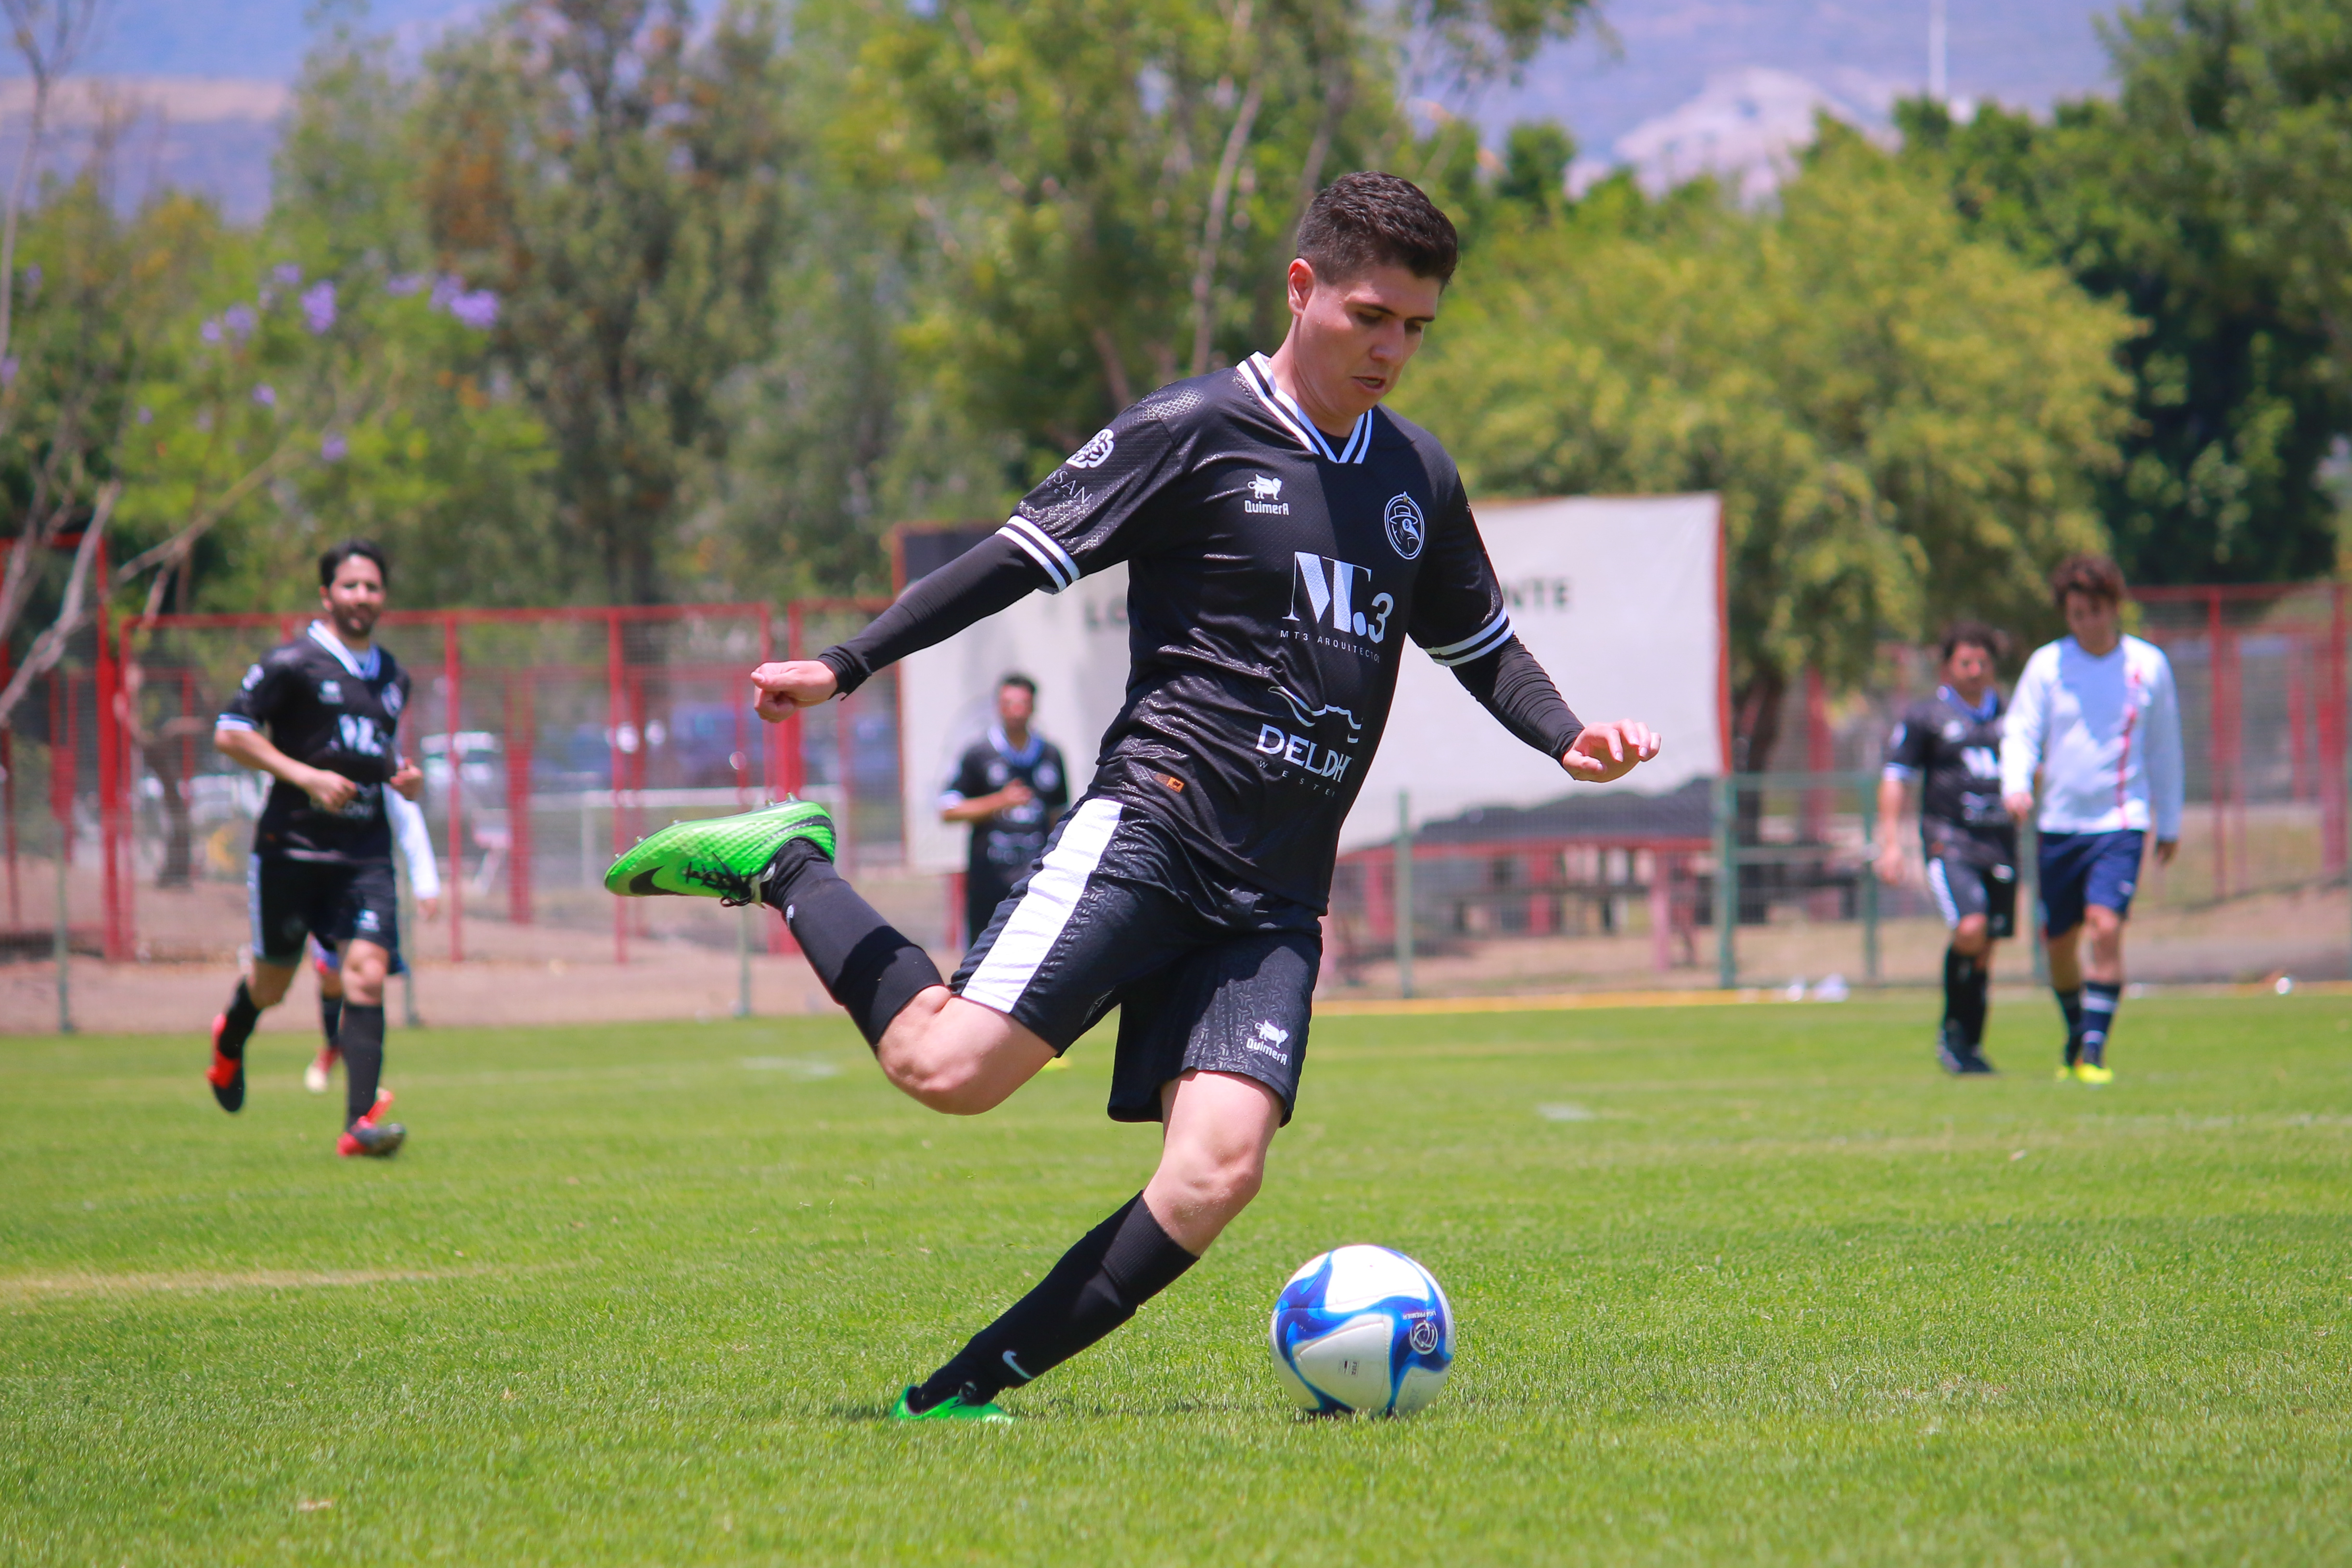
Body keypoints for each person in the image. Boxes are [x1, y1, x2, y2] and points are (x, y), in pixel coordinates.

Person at [606, 173, 1662, 1419]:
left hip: (1275, 890)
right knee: (946, 1069)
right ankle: (787, 860)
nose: (1391, 349)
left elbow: (1479, 645)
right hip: (1155, 828)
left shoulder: (1413, 477)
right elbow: (1013, 558)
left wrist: (1567, 738)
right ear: (1302, 287)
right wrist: (846, 665)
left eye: (1415, 328)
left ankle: (952, 1399)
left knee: (1216, 1173)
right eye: (1370, 315)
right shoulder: (1192, 430)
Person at [207, 540, 418, 1156]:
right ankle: (229, 1039)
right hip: (292, 847)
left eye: (372, 586)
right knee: (272, 986)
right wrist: (307, 777)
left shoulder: (394, 676)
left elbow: (375, 753)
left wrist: (403, 777)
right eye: (350, 586)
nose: (362, 597)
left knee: (368, 974)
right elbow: (231, 732)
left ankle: (358, 1125)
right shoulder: (292, 663)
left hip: (364, 850)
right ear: (326, 595)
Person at [1999, 554, 2183, 1084]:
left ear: (2114, 607)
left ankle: (2095, 1053)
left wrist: (2169, 821)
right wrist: (2015, 784)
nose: (2086, 623)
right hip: (2058, 825)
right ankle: (2078, 1031)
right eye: (2076, 614)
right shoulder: (2048, 665)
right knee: (2058, 945)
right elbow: (2021, 730)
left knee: (2105, 927)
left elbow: (2165, 747)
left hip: (2120, 822)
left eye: (2095, 612)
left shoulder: (2147, 666)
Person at [1876, 622, 2017, 1075]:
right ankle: (1952, 1034)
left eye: (1983, 662)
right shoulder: (1926, 716)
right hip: (1950, 841)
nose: (1975, 671)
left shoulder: (2012, 715)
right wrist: (1890, 844)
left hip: (2001, 843)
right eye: (1965, 662)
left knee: (1986, 946)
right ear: (1947, 667)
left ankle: (1969, 1046)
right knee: (1971, 928)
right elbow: (1896, 777)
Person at [306, 786, 440, 1094]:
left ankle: (365, 1085)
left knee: (368, 977)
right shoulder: (309, 762)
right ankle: (333, 1047)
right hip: (323, 884)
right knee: (330, 976)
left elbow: (406, 813)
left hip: (369, 882)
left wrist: (426, 883)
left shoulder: (377, 763)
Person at [939, 674, 1068, 948]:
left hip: (1035, 884)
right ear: (998, 707)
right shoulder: (979, 754)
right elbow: (949, 811)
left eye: (1023, 703)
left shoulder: (1051, 755)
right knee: (983, 955)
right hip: (989, 882)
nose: (1016, 711)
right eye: (1009, 704)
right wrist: (999, 802)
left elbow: (1058, 816)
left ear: (1033, 707)